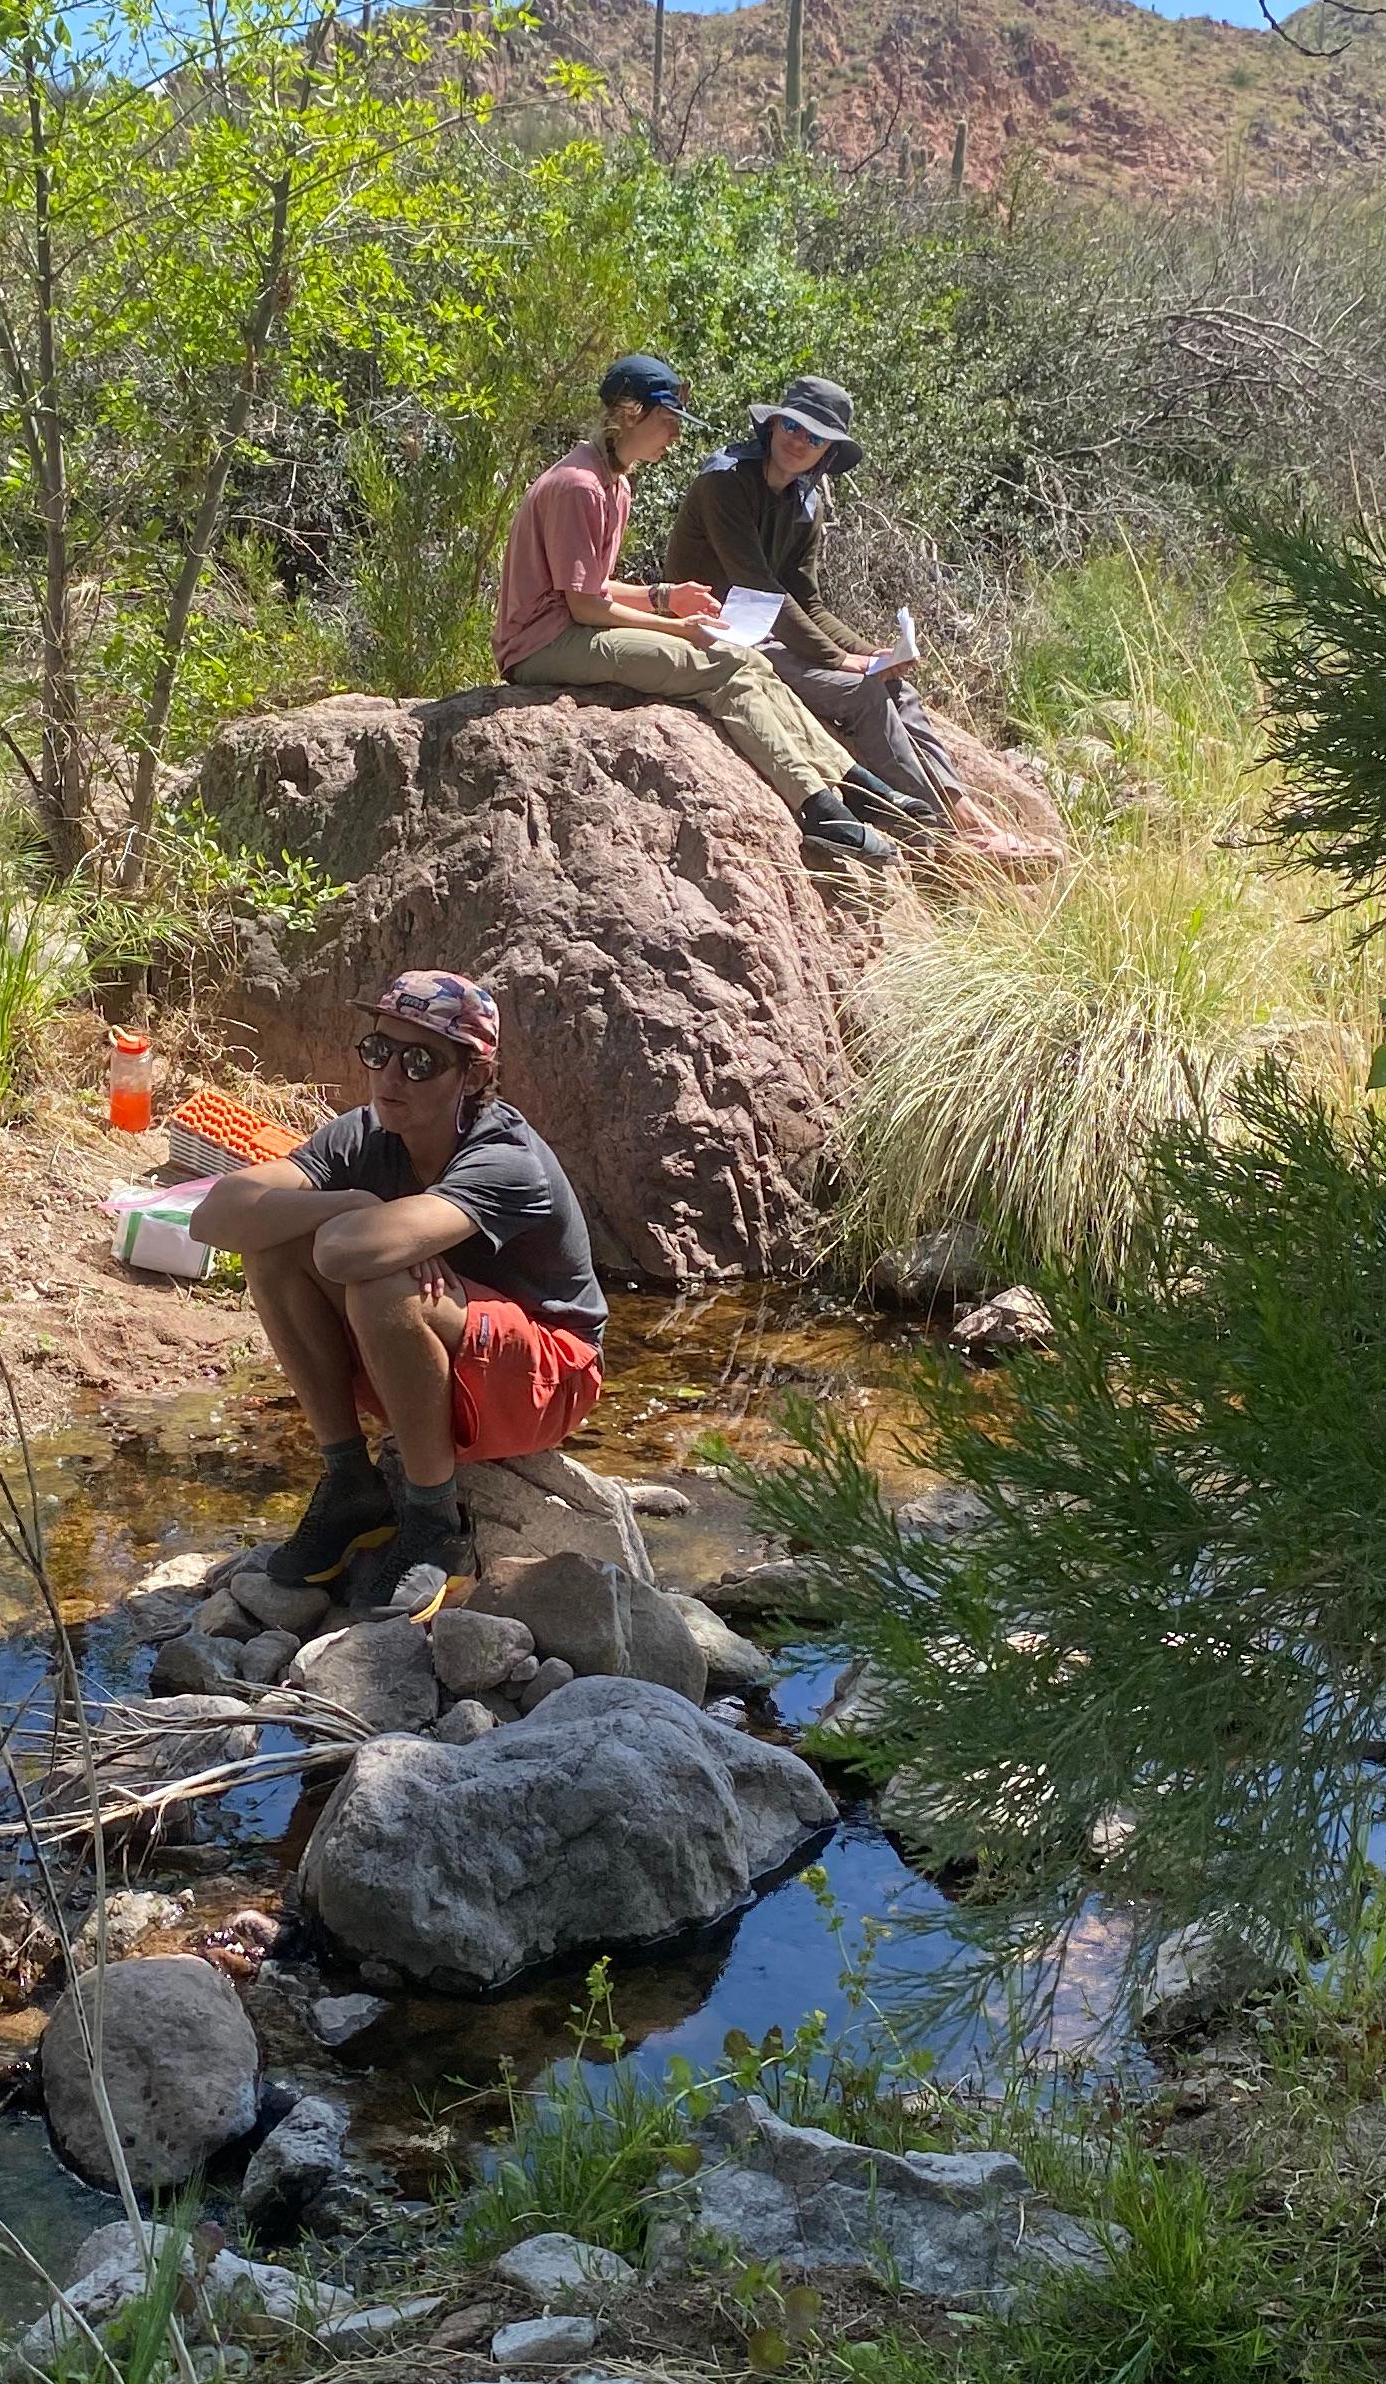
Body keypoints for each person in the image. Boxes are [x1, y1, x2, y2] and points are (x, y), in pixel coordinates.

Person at [189, 969, 607, 1592]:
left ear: (475, 1076)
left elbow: (343, 1253)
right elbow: (215, 1216)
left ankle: (436, 1519)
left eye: (421, 1061)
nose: (391, 1076)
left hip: (549, 1377)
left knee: (383, 1282)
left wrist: (358, 1227)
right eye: (380, 1051)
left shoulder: (506, 1158)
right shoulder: (364, 1134)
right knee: (272, 1251)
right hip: (437, 1348)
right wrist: (352, 1200)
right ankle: (351, 1485)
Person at [494, 355, 898, 865]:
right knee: (721, 670)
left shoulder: (613, 482)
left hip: (574, 627)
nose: (675, 437)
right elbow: (584, 604)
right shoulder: (579, 485)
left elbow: (593, 585)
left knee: (750, 660)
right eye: (668, 422)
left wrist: (665, 596)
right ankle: (819, 810)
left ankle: (847, 781)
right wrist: (678, 626)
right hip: (543, 644)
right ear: (630, 413)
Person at [664, 379, 1017, 853]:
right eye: (792, 426)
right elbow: (759, 588)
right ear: (771, 426)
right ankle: (937, 836)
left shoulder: (803, 503)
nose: (798, 441)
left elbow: (805, 600)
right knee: (862, 693)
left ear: (827, 453)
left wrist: (868, 652)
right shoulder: (725, 483)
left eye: (814, 437)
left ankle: (965, 813)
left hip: (769, 633)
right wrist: (839, 660)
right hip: (719, 635)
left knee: (896, 685)